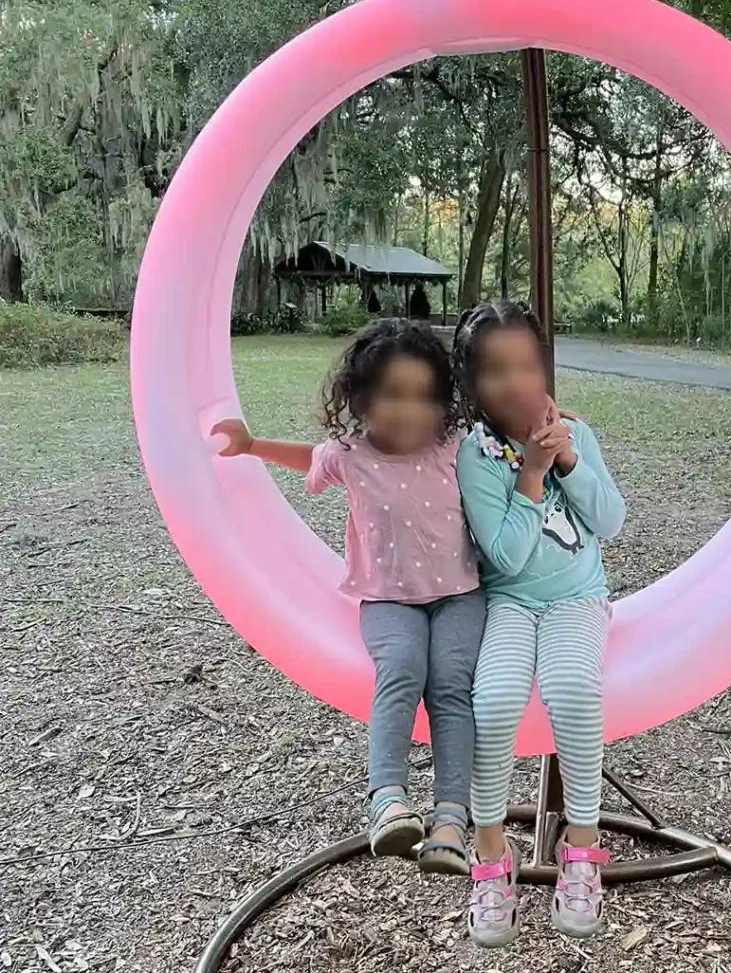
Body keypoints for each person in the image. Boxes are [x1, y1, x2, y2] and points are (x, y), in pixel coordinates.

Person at [211, 317, 486, 876]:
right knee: (402, 670)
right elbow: (309, 458)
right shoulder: (350, 454)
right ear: (361, 398)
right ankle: (388, 801)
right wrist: (249, 445)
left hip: (460, 595)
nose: (409, 410)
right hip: (386, 599)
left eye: (424, 397)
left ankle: (453, 817)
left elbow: (510, 456)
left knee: (453, 687)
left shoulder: (454, 448)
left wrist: (555, 432)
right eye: (392, 395)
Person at [452, 301, 627, 947]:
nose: (516, 382)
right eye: (495, 370)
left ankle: (581, 849)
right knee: (493, 699)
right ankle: (492, 858)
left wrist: (569, 463)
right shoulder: (476, 455)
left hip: (577, 600)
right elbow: (504, 555)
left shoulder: (576, 432)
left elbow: (609, 521)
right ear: (471, 384)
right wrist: (529, 473)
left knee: (573, 687)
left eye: (528, 365)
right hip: (509, 602)